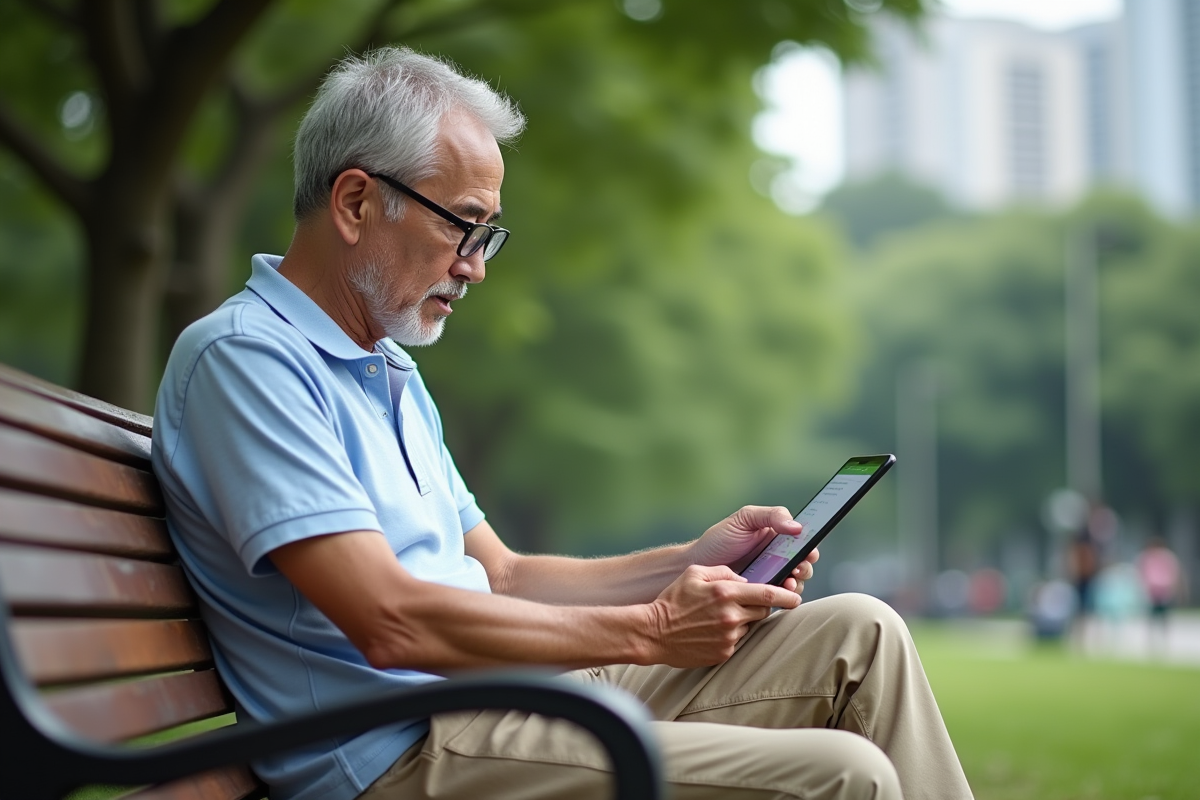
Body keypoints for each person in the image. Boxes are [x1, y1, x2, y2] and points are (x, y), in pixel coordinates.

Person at [152, 47, 973, 800]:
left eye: (487, 234)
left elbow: (501, 577)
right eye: (460, 224)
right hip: (401, 752)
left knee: (864, 634)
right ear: (357, 201)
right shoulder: (247, 362)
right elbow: (389, 620)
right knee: (846, 778)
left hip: (502, 698)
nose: (475, 265)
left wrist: (686, 563)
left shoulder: (388, 373)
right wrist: (651, 631)